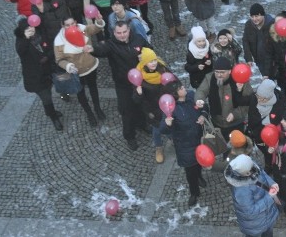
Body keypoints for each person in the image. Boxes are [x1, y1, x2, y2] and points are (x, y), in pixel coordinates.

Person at [89, 20, 149, 150]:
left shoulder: (138, 38)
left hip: (140, 80)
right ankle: (129, 136)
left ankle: (142, 124)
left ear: (129, 30)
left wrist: (146, 57)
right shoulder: (111, 45)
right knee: (126, 110)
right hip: (123, 84)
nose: (122, 35)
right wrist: (92, 49)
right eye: (119, 33)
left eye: (124, 32)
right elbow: (100, 50)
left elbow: (149, 50)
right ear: (114, 33)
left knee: (141, 104)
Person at [161, 78, 209, 207]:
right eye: (181, 88)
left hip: (199, 140)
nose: (184, 88)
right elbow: (163, 129)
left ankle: (199, 176)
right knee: (190, 171)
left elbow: (205, 106)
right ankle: (194, 192)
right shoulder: (171, 108)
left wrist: (203, 115)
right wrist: (167, 124)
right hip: (185, 145)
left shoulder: (192, 96)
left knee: (199, 163)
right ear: (175, 94)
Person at [14, 16, 63, 131]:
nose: (30, 30)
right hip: (36, 77)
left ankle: (50, 110)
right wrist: (26, 38)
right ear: (22, 31)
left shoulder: (40, 35)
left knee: (51, 89)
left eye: (31, 27)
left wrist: (47, 57)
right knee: (46, 97)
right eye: (27, 29)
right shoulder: (21, 41)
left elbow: (50, 48)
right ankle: (54, 117)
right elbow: (21, 51)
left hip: (48, 71)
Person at [196, 55, 254, 140]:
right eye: (217, 72)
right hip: (217, 122)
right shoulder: (209, 78)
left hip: (236, 124)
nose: (219, 75)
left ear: (230, 71)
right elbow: (201, 91)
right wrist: (199, 99)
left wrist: (235, 114)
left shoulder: (240, 79)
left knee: (236, 145)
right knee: (222, 147)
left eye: (222, 72)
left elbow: (248, 102)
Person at [225, 154, 281, 237]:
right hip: (254, 224)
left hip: (267, 215)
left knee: (268, 235)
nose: (253, 170)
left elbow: (262, 173)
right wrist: (269, 197)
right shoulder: (241, 190)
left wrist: (271, 183)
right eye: (250, 170)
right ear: (245, 173)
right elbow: (250, 211)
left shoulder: (250, 166)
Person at [132, 47, 173, 163]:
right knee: (157, 129)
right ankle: (158, 147)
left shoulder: (162, 68)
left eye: (154, 60)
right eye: (151, 61)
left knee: (169, 122)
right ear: (144, 62)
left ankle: (171, 138)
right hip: (151, 108)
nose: (154, 63)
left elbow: (173, 81)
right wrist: (139, 93)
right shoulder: (138, 76)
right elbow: (136, 100)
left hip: (166, 104)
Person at [243, 4, 274, 77]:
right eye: (252, 16)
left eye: (257, 16)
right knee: (267, 80)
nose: (254, 19)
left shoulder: (272, 24)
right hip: (259, 60)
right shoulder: (248, 25)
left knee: (278, 80)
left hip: (272, 61)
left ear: (263, 15)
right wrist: (248, 58)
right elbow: (245, 41)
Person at [185, 26, 214, 91]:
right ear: (195, 42)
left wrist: (210, 61)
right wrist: (197, 67)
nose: (202, 43)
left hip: (208, 76)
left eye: (203, 40)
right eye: (199, 41)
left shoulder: (207, 48)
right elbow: (187, 67)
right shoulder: (191, 53)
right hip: (197, 80)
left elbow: (212, 57)